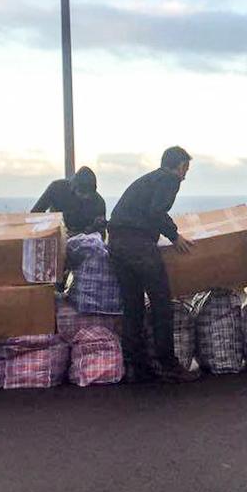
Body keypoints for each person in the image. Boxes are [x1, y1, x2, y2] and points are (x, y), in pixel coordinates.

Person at [107, 146, 196, 383]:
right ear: (177, 166)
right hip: (138, 244)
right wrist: (175, 236)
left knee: (133, 306)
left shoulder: (147, 180)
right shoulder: (169, 180)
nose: (185, 175)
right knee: (161, 303)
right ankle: (167, 364)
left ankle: (136, 367)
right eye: (185, 168)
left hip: (116, 243)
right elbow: (156, 211)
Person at [31, 166, 106, 236]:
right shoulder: (57, 188)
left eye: (88, 195)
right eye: (81, 193)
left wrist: (94, 229)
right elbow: (34, 215)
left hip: (84, 241)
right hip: (58, 236)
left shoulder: (99, 204)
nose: (84, 197)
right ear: (73, 187)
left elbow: (101, 236)